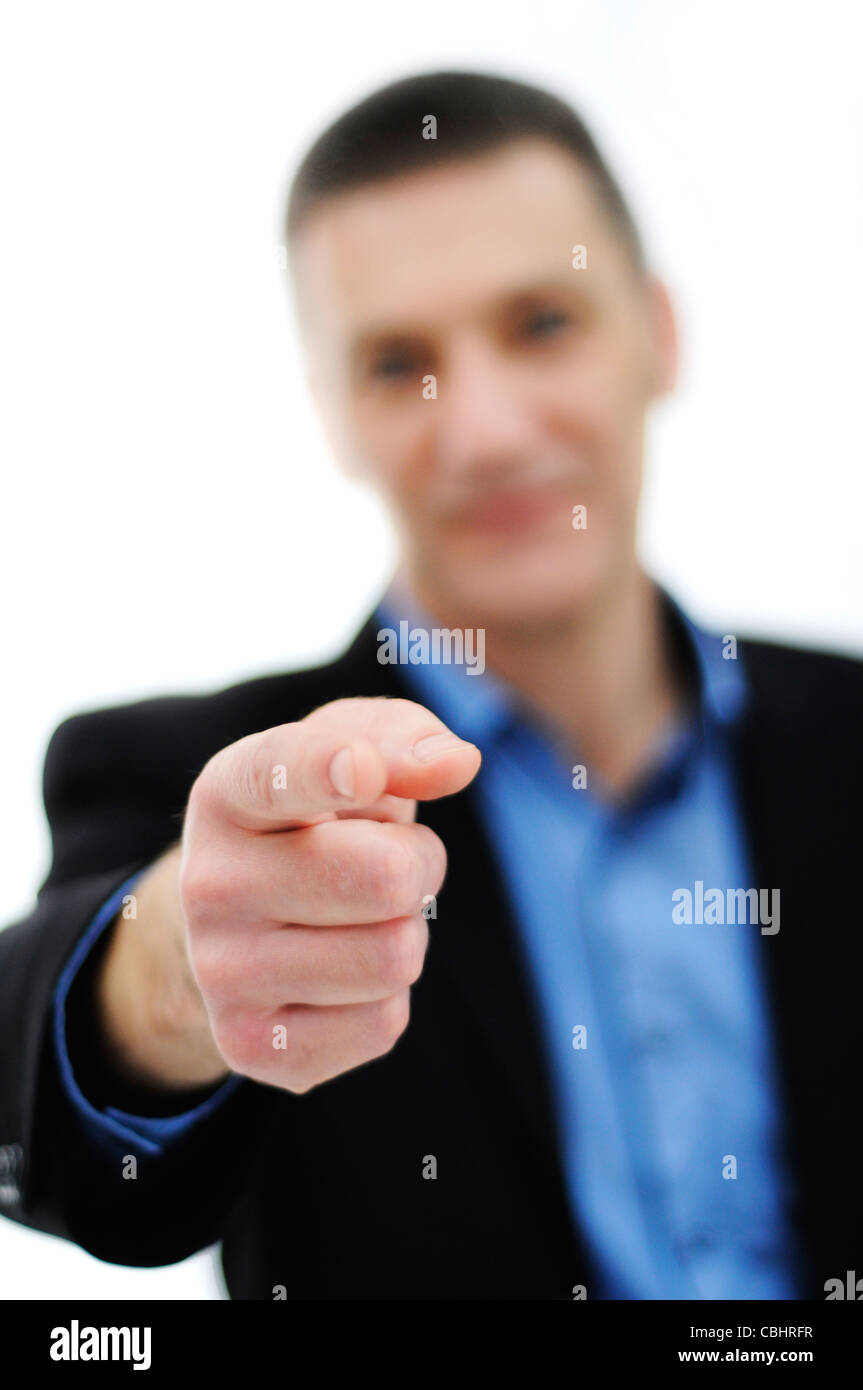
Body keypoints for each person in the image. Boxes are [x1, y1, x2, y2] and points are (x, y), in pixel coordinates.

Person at [1, 70, 860, 1301]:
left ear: (659, 334)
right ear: (334, 416)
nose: (486, 431)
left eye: (541, 324)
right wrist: (182, 967)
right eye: (397, 361)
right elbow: (54, 1121)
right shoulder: (204, 785)